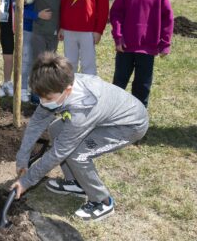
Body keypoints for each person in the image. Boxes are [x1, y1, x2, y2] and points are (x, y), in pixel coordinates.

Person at [11, 53, 148, 221]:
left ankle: (102, 201)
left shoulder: (81, 111)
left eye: (47, 98)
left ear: (67, 90)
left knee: (77, 154)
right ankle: (76, 183)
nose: (43, 102)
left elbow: (59, 152)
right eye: (40, 97)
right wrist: (22, 158)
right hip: (102, 117)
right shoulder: (57, 83)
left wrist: (26, 181)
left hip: (129, 126)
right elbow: (37, 122)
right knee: (56, 129)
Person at [110, 0, 174, 108]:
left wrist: (165, 43)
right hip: (125, 47)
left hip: (147, 49)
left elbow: (167, 19)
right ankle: (112, 112)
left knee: (142, 85)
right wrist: (118, 37)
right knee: (119, 82)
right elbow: (115, 14)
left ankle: (138, 117)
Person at [19, 0, 47, 102]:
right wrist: (36, 15)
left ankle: (36, 89)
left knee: (40, 60)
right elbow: (18, 8)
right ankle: (23, 88)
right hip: (27, 28)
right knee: (25, 59)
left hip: (42, 30)